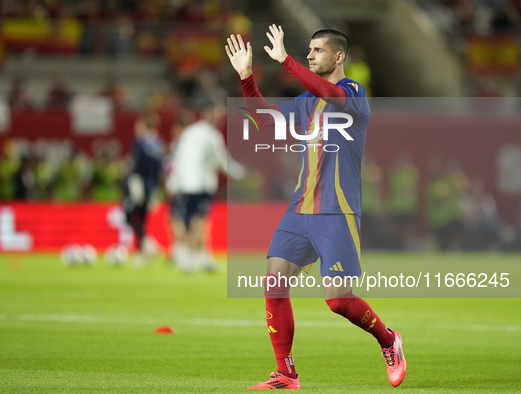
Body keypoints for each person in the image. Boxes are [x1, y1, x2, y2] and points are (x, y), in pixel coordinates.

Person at [225, 25, 406, 389]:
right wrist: (247, 78)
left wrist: (286, 61)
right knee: (274, 283)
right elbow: (262, 120)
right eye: (307, 50)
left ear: (339, 57)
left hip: (336, 211)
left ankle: (389, 341)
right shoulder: (305, 103)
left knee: (338, 301)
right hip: (300, 209)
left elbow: (329, 93)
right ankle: (286, 373)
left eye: (317, 50)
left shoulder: (354, 93)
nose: (309, 55)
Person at [169, 102, 244, 272]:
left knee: (192, 221)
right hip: (201, 185)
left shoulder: (190, 131)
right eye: (217, 115)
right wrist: (241, 174)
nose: (220, 119)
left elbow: (178, 158)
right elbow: (223, 161)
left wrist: (174, 181)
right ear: (208, 114)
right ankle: (189, 257)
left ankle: (200, 256)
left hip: (185, 185)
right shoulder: (212, 135)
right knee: (199, 222)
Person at [123, 114, 165, 264]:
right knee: (141, 218)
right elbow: (161, 167)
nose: (136, 129)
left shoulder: (140, 142)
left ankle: (146, 246)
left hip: (139, 184)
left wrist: (132, 181)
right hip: (151, 186)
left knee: (132, 216)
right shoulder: (159, 143)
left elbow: (136, 164)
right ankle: (147, 246)